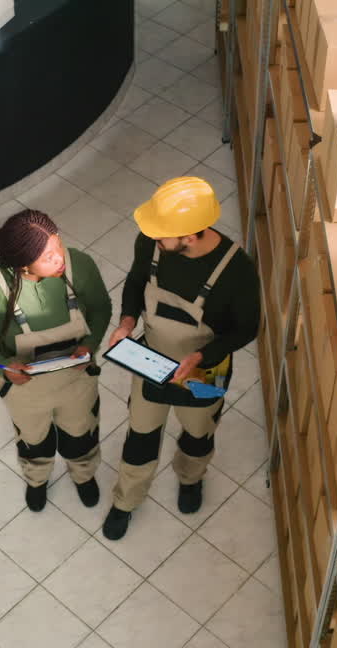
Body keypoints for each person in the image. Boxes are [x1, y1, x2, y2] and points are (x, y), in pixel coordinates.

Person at [101, 177, 260, 540]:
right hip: (151, 359)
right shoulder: (152, 242)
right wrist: (127, 321)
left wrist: (203, 354)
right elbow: (135, 281)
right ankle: (126, 501)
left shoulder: (237, 270)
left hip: (204, 371)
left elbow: (247, 329)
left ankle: (190, 479)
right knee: (140, 436)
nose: (155, 240)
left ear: (190, 236)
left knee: (198, 434)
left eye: (162, 236)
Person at [0, 209, 112, 512]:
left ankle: (83, 476)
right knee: (34, 442)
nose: (59, 259)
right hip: (25, 388)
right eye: (47, 256)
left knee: (81, 434)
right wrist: (4, 367)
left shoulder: (78, 265)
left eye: (58, 247)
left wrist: (89, 344)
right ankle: (37, 480)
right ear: (21, 264)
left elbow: (101, 308)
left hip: (77, 379)